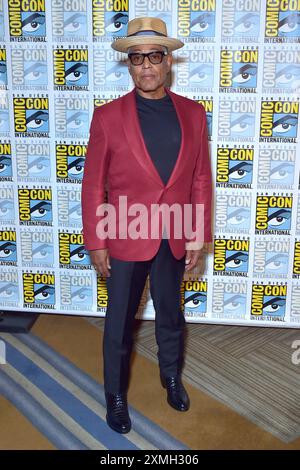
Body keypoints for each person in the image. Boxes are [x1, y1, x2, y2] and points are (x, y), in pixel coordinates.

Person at [81, 17, 213, 434]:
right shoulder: (107, 117)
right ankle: (115, 396)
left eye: (155, 56)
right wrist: (97, 242)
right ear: (130, 64)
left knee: (171, 315)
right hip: (124, 233)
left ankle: (171, 376)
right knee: (120, 321)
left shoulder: (193, 113)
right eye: (137, 58)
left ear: (168, 60)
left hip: (174, 233)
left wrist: (197, 233)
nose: (146, 66)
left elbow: (200, 179)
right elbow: (93, 184)